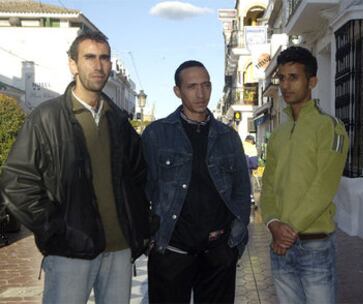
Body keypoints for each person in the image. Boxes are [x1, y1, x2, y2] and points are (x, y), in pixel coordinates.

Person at [0, 32, 151, 304]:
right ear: (72, 64)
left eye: (104, 58)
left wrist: (138, 227)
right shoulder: (46, 118)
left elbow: (139, 178)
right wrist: (55, 228)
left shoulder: (118, 121)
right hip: (68, 252)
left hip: (118, 250)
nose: (98, 65)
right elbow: (17, 181)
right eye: (89, 57)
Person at [142, 60, 251, 303]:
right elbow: (143, 190)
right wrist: (149, 238)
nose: (201, 94)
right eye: (192, 87)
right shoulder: (157, 134)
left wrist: (233, 243)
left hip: (218, 254)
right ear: (177, 91)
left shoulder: (228, 137)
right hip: (172, 252)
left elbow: (242, 192)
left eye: (206, 85)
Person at [260, 46, 349, 304]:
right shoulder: (277, 135)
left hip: (314, 245)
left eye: (294, 77)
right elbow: (268, 187)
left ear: (312, 81)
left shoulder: (330, 128)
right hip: (279, 245)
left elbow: (324, 187)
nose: (286, 85)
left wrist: (287, 231)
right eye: (282, 78)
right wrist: (273, 224)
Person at [243, 135, 259, 207]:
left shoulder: (239, 144)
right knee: (250, 184)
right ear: (251, 141)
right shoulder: (251, 147)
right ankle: (251, 199)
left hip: (236, 170)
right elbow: (254, 164)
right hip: (247, 170)